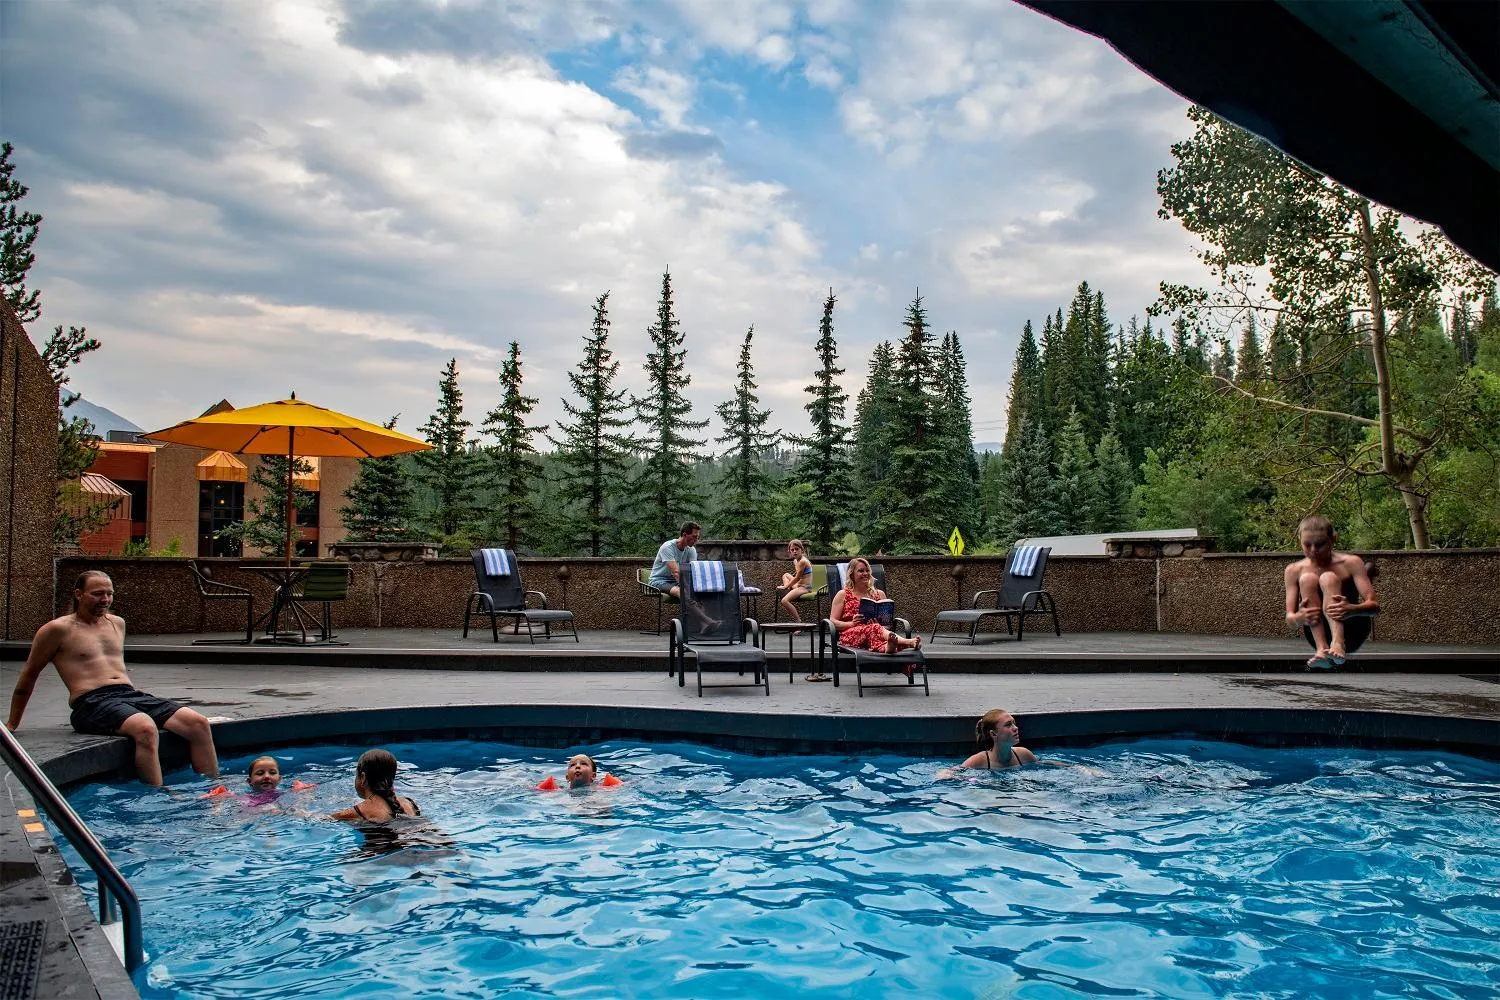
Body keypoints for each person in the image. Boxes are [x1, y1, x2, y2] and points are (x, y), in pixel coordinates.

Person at [5, 570, 219, 787]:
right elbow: (30, 673)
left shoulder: (117, 623)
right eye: (98, 594)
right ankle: (158, 795)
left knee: (198, 723)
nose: (105, 600)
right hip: (91, 703)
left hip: (128, 695)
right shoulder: (57, 629)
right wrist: (13, 723)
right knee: (145, 727)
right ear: (79, 594)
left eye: (109, 594)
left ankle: (214, 791)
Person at [1283, 515, 1379, 669]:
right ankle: (1322, 650)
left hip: (1353, 629)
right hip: (1317, 634)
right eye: (1307, 545)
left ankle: (1338, 643)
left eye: (1320, 545)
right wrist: (1299, 618)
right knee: (1307, 578)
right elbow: (1290, 619)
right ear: (1299, 540)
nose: (1313, 551)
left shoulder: (1351, 563)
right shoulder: (1293, 570)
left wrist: (1352, 610)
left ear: (1333, 539)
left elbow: (1374, 607)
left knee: (1328, 578)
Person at [829, 557, 921, 670]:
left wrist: (883, 623)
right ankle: (907, 642)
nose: (865, 573)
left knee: (875, 627)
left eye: (867, 570)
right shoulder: (843, 594)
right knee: (874, 628)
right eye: (861, 571)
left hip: (875, 633)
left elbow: (887, 624)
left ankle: (888, 647)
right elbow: (832, 622)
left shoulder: (879, 594)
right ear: (852, 574)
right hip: (851, 635)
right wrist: (852, 624)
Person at [649, 521, 716, 629]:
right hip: (659, 581)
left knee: (698, 592)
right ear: (685, 535)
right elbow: (675, 572)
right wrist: (687, 588)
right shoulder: (667, 547)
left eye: (697, 537)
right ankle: (708, 620)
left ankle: (703, 626)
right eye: (694, 537)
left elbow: (692, 571)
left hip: (676, 581)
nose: (696, 540)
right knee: (681, 592)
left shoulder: (691, 550)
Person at [330, 749, 421, 823]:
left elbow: (322, 819)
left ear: (362, 777)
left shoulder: (358, 812)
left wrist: (314, 796)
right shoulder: (410, 803)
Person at [955, 708, 1037, 770]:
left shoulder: (1024, 755)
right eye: (1008, 725)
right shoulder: (978, 761)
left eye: (1014, 723)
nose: (1015, 728)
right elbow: (952, 772)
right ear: (993, 734)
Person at [538, 753, 623, 790]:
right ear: (567, 777)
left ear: (593, 776)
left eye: (583, 764)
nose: (577, 766)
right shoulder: (561, 790)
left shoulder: (599, 790)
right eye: (572, 765)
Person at [778, 539, 814, 622]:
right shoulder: (796, 561)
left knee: (784, 601)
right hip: (798, 585)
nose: (795, 552)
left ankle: (799, 622)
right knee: (786, 575)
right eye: (792, 550)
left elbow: (797, 578)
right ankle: (788, 590)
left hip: (805, 588)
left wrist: (786, 586)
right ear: (789, 552)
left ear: (802, 550)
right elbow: (798, 577)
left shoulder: (803, 561)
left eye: (797, 549)